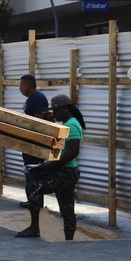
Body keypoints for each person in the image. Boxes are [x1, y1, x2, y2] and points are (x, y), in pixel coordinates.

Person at [15, 94, 85, 241]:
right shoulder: (67, 124)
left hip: (66, 171)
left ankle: (34, 228)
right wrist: (50, 123)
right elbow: (58, 148)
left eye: (55, 110)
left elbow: (73, 151)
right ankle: (69, 241)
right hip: (66, 171)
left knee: (33, 187)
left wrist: (48, 166)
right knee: (67, 207)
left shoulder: (71, 126)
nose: (54, 113)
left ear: (64, 109)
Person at [18, 74, 50, 208]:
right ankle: (32, 200)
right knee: (30, 172)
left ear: (28, 85)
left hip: (35, 143)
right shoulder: (31, 99)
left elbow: (39, 121)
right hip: (29, 142)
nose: (19, 88)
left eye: (21, 85)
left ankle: (36, 202)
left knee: (35, 172)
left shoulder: (38, 98)